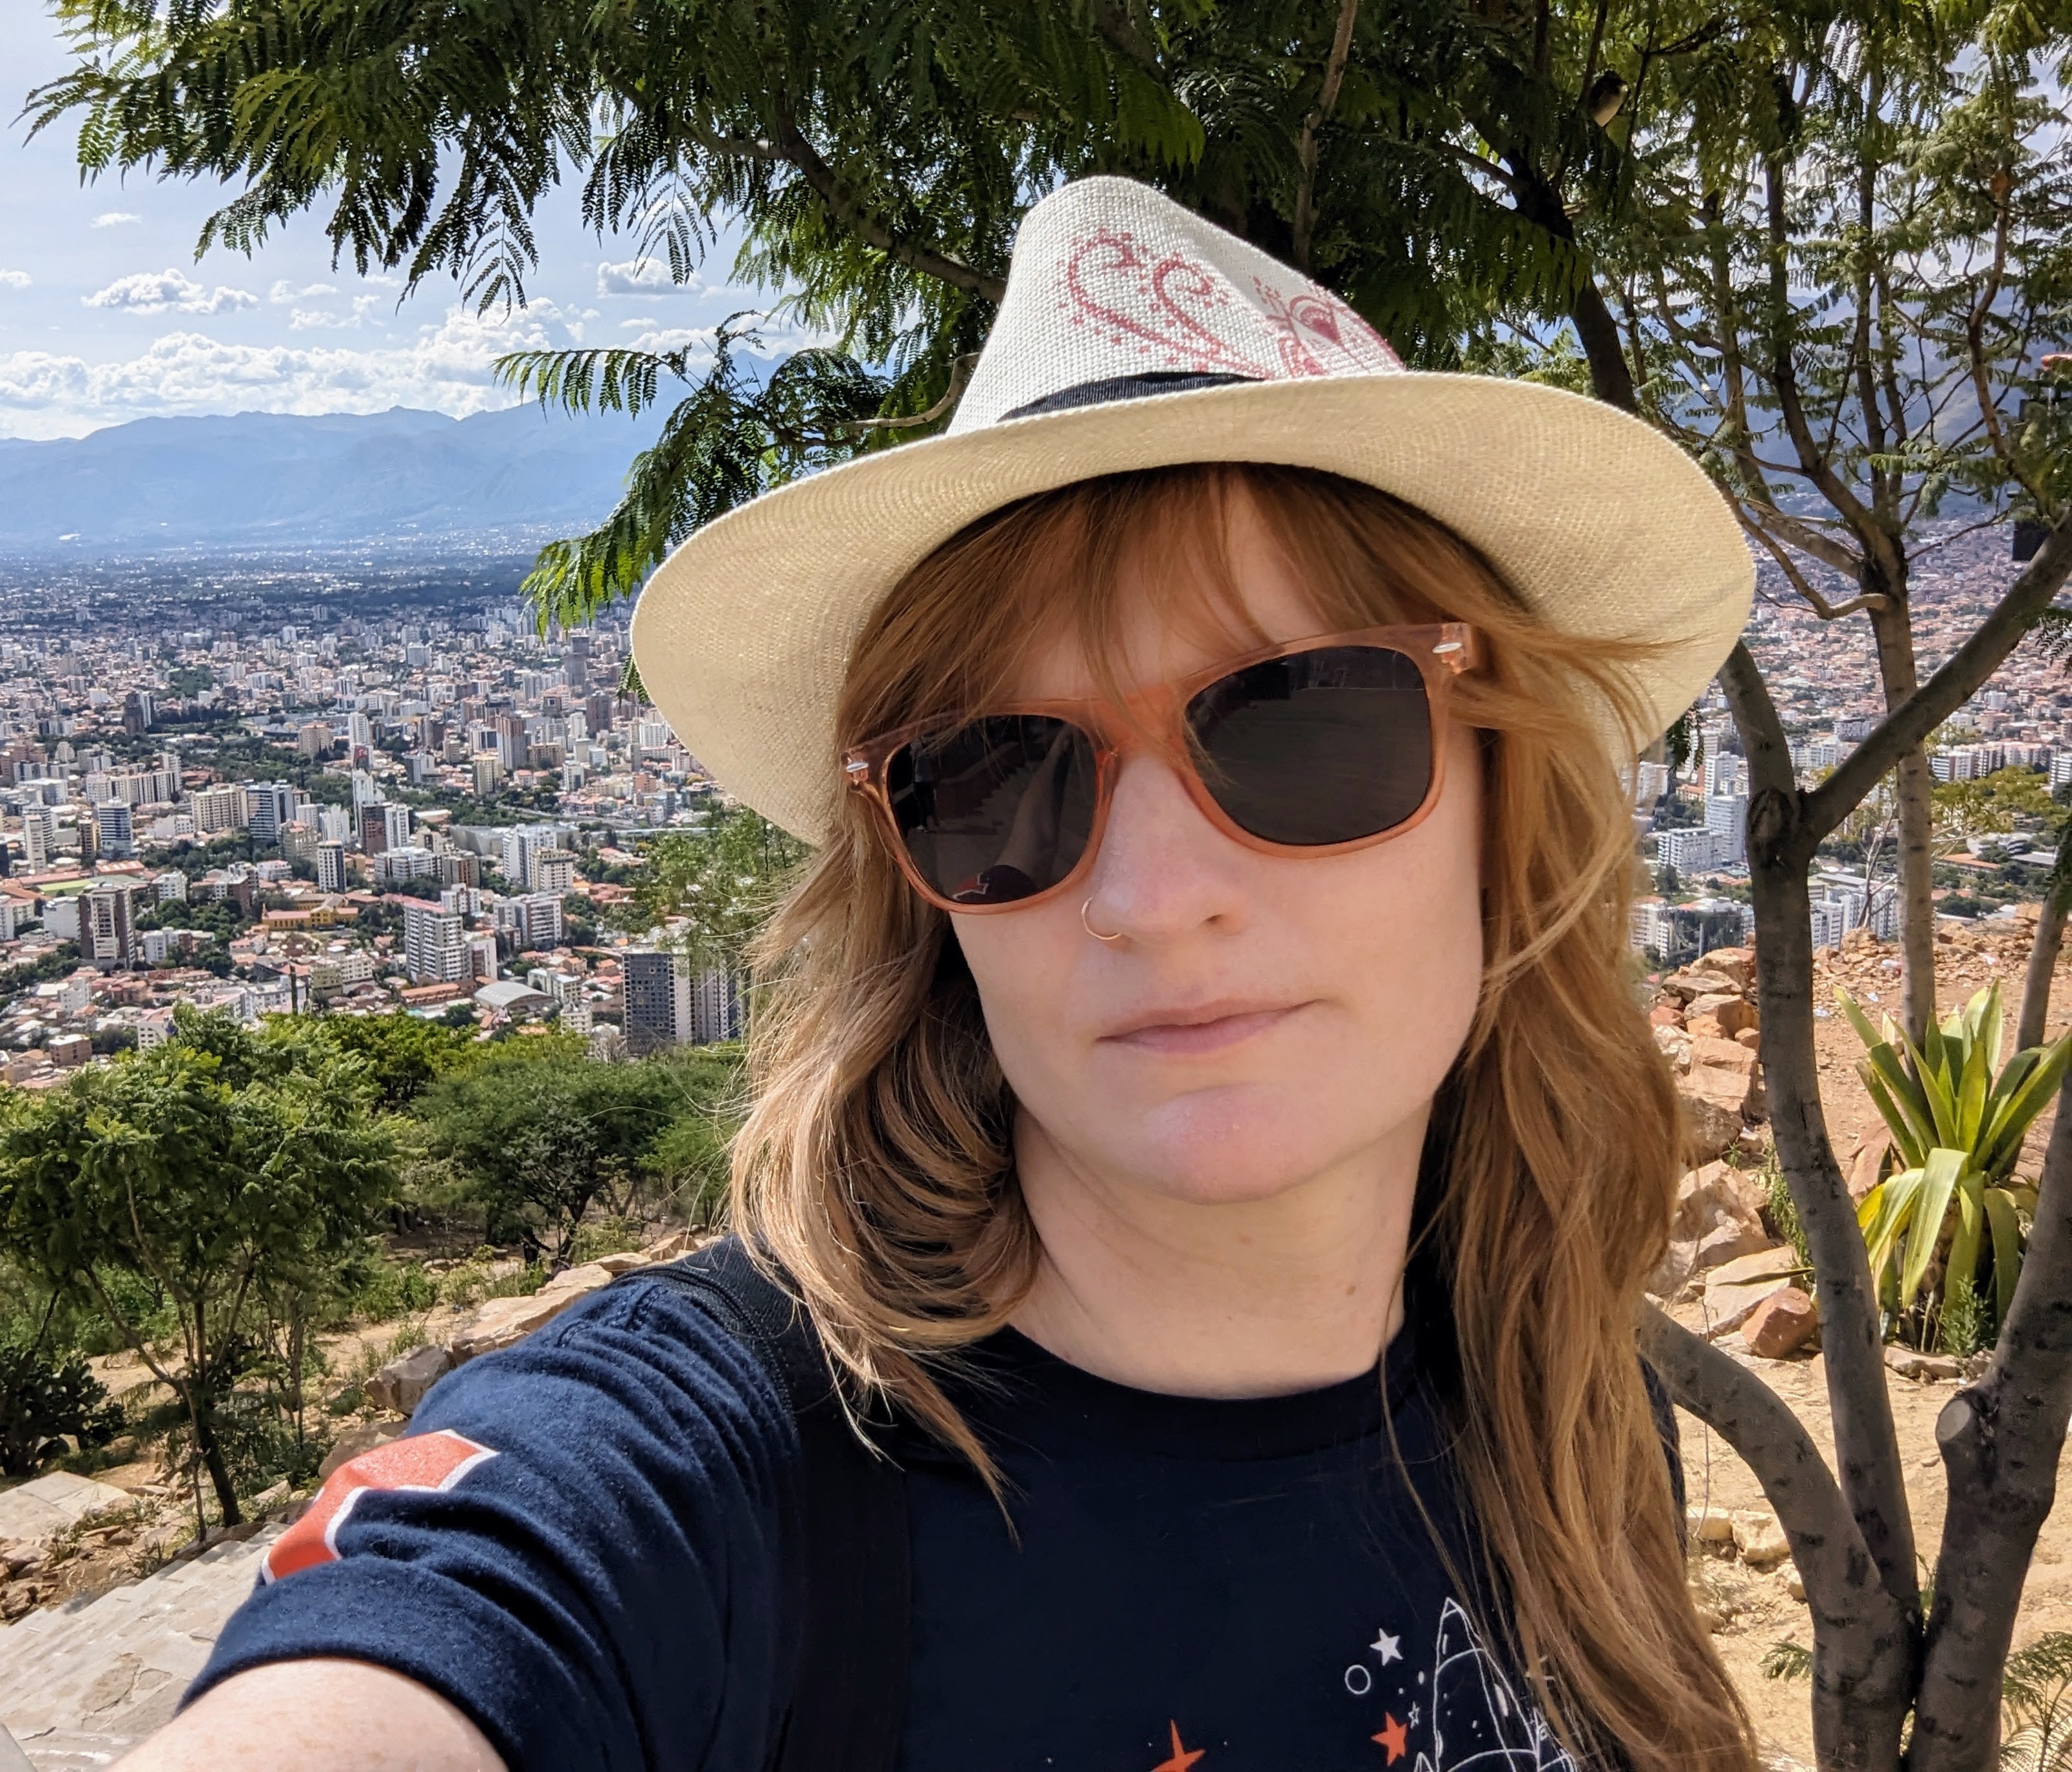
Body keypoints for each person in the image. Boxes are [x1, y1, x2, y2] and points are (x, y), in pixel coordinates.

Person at [127, 176, 1757, 1771]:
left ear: (1505, 800)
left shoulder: (1570, 1406)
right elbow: (454, 1625)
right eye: (995, 778)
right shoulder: (735, 1485)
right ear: (929, 894)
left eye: (1303, 719)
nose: (1149, 893)